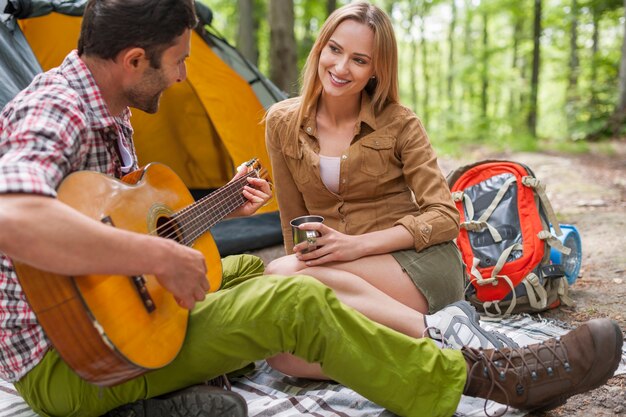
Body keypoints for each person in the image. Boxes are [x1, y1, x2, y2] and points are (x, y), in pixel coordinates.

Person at [0, 1, 622, 417]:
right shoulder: (56, 107)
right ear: (135, 60)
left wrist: (199, 220)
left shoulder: (113, 109)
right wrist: (156, 253)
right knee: (293, 298)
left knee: (258, 272)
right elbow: (14, 218)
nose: (185, 76)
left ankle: (172, 395)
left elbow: (116, 228)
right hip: (77, 361)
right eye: (180, 60)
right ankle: (481, 380)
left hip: (114, 320)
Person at [264, 1, 514, 379]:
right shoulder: (281, 122)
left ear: (376, 69)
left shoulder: (400, 123)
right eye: (335, 50)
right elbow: (292, 219)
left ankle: (434, 329)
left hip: (413, 265)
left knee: (280, 274)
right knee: (282, 357)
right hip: (334, 271)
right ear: (320, 47)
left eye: (359, 60)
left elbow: (445, 217)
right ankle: (444, 353)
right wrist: (303, 297)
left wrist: (356, 246)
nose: (341, 67)